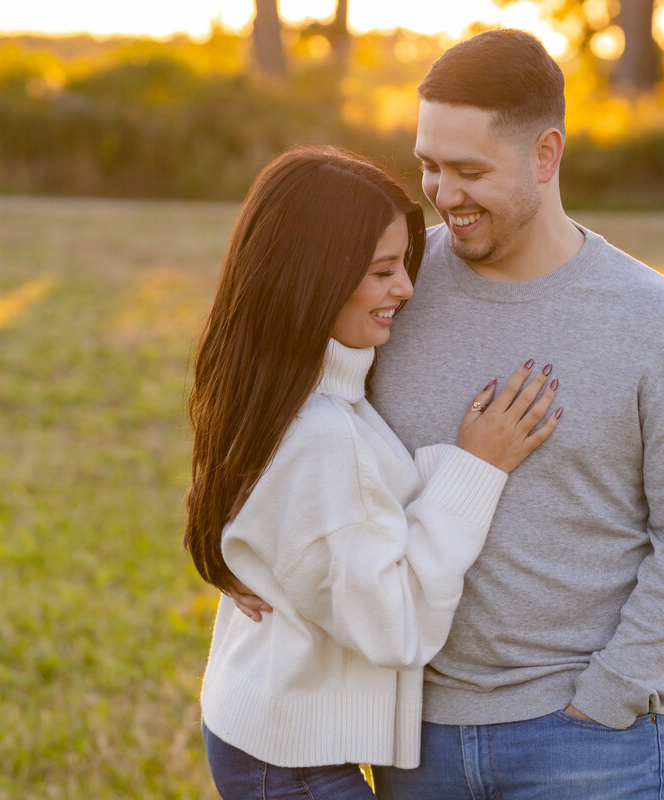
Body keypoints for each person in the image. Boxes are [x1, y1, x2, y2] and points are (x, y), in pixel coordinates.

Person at [363, 29, 664, 799]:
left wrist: (610, 699)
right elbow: (298, 411)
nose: (443, 192)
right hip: (413, 741)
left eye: (469, 170)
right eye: (428, 165)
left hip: (590, 747)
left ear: (545, 155)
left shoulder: (659, 323)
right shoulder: (389, 286)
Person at [186, 145, 562, 799]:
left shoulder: (282, 393)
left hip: (268, 739)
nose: (407, 289)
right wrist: (474, 468)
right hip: (291, 765)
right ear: (313, 277)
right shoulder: (323, 437)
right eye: (383, 270)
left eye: (405, 266)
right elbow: (398, 627)